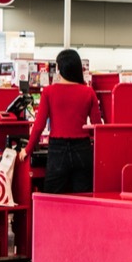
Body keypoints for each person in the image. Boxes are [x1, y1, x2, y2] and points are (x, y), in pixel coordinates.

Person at [19, 48, 102, 194]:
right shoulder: (89, 92)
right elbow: (97, 127)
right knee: (83, 198)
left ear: (59, 69)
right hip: (83, 149)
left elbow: (39, 126)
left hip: (58, 150)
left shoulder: (49, 92)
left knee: (52, 198)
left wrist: (27, 149)